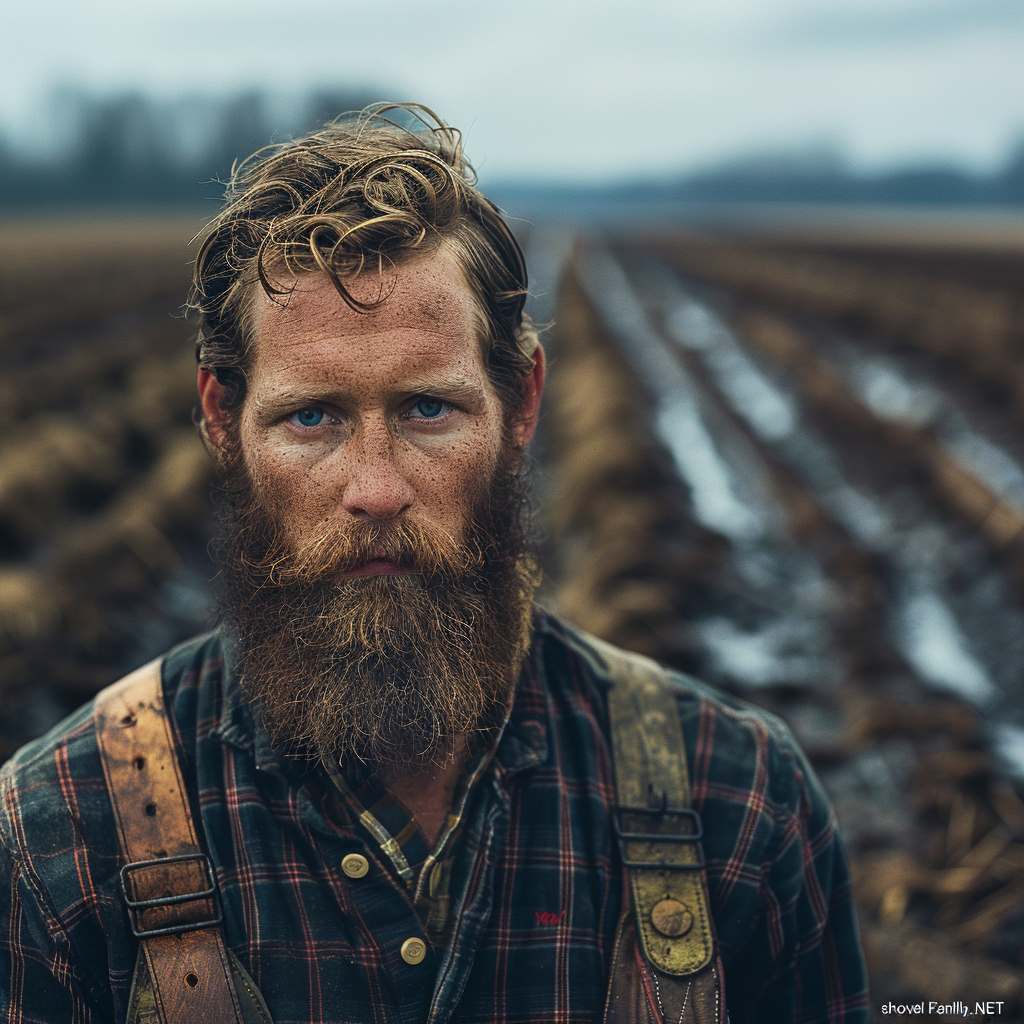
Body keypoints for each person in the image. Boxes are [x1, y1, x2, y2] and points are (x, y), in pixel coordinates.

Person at [0, 104, 870, 1023]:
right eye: (312, 417)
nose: (375, 489)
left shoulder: (740, 806)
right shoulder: (61, 842)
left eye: (427, 410)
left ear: (521, 404)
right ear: (222, 422)